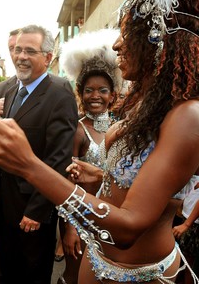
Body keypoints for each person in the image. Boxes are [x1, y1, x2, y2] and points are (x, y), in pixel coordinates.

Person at [0, 0, 199, 282]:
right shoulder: (149, 105)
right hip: (98, 262)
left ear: (158, 41)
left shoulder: (188, 115)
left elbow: (129, 226)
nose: (117, 46)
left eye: (126, 35)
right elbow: (142, 186)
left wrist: (29, 165)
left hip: (141, 275)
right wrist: (99, 175)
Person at [0, 24, 78, 284]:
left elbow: (58, 157)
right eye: (18, 50)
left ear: (48, 58)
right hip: (7, 202)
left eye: (30, 51)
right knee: (5, 271)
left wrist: (38, 210)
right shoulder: (8, 90)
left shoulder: (59, 92)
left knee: (32, 274)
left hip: (33, 207)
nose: (21, 56)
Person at [57, 28, 122, 284]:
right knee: (76, 275)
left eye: (102, 90)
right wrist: (70, 228)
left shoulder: (121, 127)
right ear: (81, 94)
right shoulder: (77, 130)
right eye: (89, 90)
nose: (95, 96)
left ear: (113, 95)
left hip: (115, 216)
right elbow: (68, 185)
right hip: (83, 217)